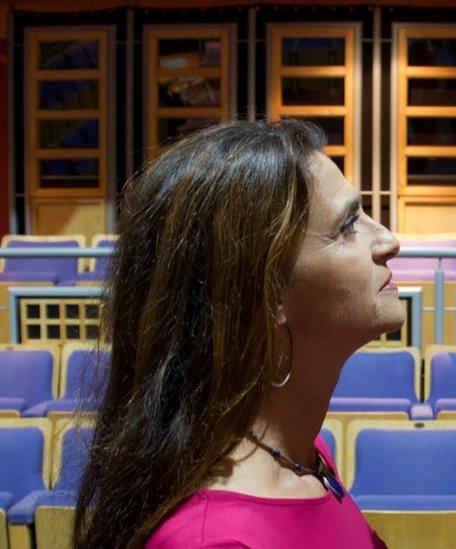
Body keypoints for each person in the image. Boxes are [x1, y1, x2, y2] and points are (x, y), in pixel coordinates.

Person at [74, 120, 400, 548]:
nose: (389, 241)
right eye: (347, 225)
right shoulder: (218, 541)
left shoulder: (305, 455)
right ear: (269, 293)